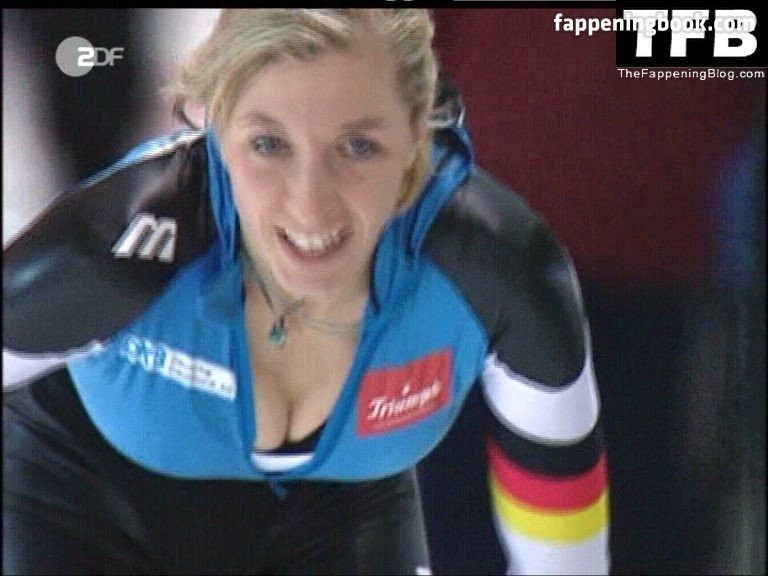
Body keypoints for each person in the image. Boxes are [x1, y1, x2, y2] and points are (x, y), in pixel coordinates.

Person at [3, 9, 610, 575]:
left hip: (337, 517)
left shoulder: (500, 268)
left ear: (417, 130)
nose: (310, 204)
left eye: (358, 146)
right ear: (213, 126)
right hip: (77, 504)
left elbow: (565, 546)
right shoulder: (110, 255)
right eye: (269, 145)